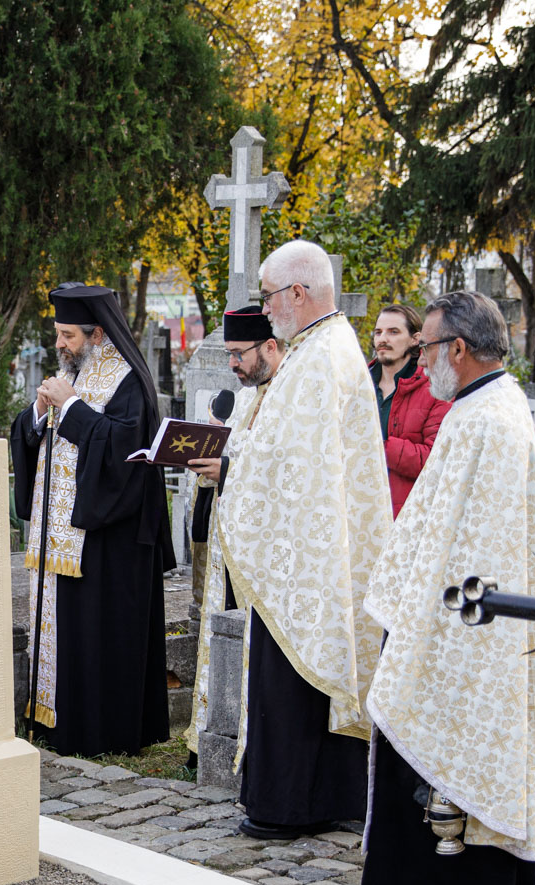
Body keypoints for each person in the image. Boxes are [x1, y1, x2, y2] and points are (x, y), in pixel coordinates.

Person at [361, 290, 535, 885]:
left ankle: (434, 884)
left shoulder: (482, 419)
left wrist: (417, 614)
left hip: (462, 623)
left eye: (426, 346)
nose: (420, 360)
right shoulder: (494, 405)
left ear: (456, 349)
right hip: (476, 613)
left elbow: (462, 544)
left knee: (429, 729)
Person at [193, 240, 391, 840]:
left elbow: (294, 467)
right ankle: (303, 796)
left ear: (298, 293)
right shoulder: (318, 350)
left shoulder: (321, 355)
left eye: (271, 294)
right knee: (285, 671)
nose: (267, 307)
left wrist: (228, 470)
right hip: (307, 545)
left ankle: (292, 803)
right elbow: (282, 452)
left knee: (294, 673)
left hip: (308, 556)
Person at [9, 283, 173, 757]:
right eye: (58, 334)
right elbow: (36, 437)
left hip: (105, 540)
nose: (59, 344)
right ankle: (54, 724)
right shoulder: (71, 374)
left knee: (97, 635)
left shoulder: (127, 382)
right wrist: (39, 413)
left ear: (98, 333)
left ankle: (99, 731)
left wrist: (72, 407)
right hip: (59, 539)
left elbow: (124, 453)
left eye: (69, 336)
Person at [182, 304, 282, 760]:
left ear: (271, 347)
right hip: (229, 539)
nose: (232, 364)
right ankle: (213, 730)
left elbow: (279, 472)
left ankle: (248, 737)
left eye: (238, 353)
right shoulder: (246, 398)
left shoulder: (287, 398)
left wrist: (227, 468)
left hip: (266, 548)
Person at [370, 303, 449, 516]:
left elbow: (434, 459)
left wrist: (377, 446)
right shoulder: (359, 385)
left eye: (393, 332)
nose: (382, 339)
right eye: (378, 332)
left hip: (407, 515)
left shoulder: (434, 389)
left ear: (415, 339)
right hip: (360, 510)